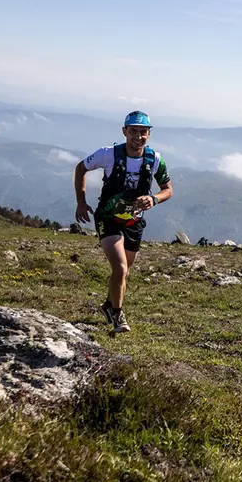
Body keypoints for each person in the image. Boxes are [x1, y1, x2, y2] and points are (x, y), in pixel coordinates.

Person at [74, 111, 173, 333]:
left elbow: (168, 190)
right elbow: (81, 168)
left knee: (125, 271)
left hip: (134, 221)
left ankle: (108, 305)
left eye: (143, 132)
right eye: (133, 131)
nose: (138, 137)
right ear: (124, 131)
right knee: (119, 268)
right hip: (108, 218)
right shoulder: (108, 154)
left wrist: (154, 199)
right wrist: (81, 202)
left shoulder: (155, 159)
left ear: (149, 134)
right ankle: (118, 316)